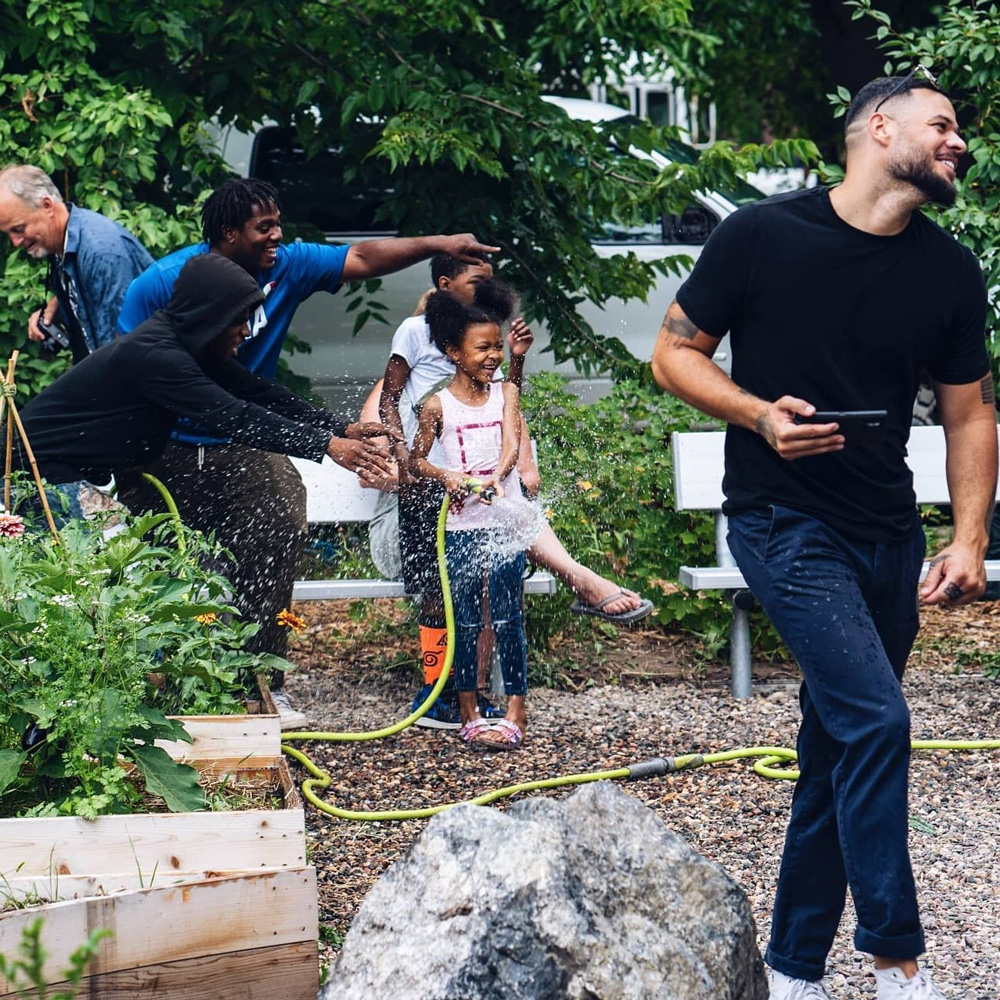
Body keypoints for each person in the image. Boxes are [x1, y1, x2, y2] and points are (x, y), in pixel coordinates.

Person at [651, 72, 996, 1000]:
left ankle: (793, 969)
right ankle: (896, 961)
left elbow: (969, 417)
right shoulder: (762, 236)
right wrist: (761, 415)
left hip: (888, 535)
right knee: (878, 720)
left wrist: (965, 541)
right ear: (879, 130)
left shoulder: (948, 271)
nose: (959, 141)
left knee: (835, 746)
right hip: (781, 519)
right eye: (944, 124)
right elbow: (673, 352)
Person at [115, 177, 497, 728]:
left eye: (279, 225)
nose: (277, 236)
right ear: (228, 234)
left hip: (243, 439)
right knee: (175, 565)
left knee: (280, 516)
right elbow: (140, 372)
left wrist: (440, 241)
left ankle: (263, 684)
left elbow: (363, 256)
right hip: (165, 449)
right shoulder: (163, 284)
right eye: (263, 227)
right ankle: (167, 695)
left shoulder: (286, 266)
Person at [377, 254, 653, 728]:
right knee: (439, 591)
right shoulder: (418, 336)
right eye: (475, 282)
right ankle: (437, 689)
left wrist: (518, 463)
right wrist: (405, 459)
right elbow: (386, 401)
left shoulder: (489, 353)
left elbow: (510, 407)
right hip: (433, 487)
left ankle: (475, 695)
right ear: (446, 288)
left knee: (489, 582)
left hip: (485, 485)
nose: (485, 290)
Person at [12, 254, 395, 518]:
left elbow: (256, 392)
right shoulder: (157, 356)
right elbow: (235, 417)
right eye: (239, 319)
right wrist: (326, 445)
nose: (246, 331)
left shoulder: (187, 343)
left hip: (69, 472)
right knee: (107, 581)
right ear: (211, 315)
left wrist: (339, 427)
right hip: (33, 474)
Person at [410, 291, 532, 748]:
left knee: (506, 616)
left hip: (503, 520)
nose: (493, 356)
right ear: (454, 353)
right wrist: (449, 476)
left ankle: (516, 707)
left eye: (496, 347)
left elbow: (510, 444)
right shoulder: (438, 406)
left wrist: (497, 476)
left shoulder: (507, 391)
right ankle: (469, 709)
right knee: (462, 619)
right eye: (482, 348)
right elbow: (417, 462)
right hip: (460, 526)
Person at [0, 165, 153, 363]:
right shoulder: (61, 242)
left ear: (47, 206)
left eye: (19, 229)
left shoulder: (101, 253)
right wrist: (58, 304)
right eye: (9, 233)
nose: (15, 241)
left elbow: (123, 349)